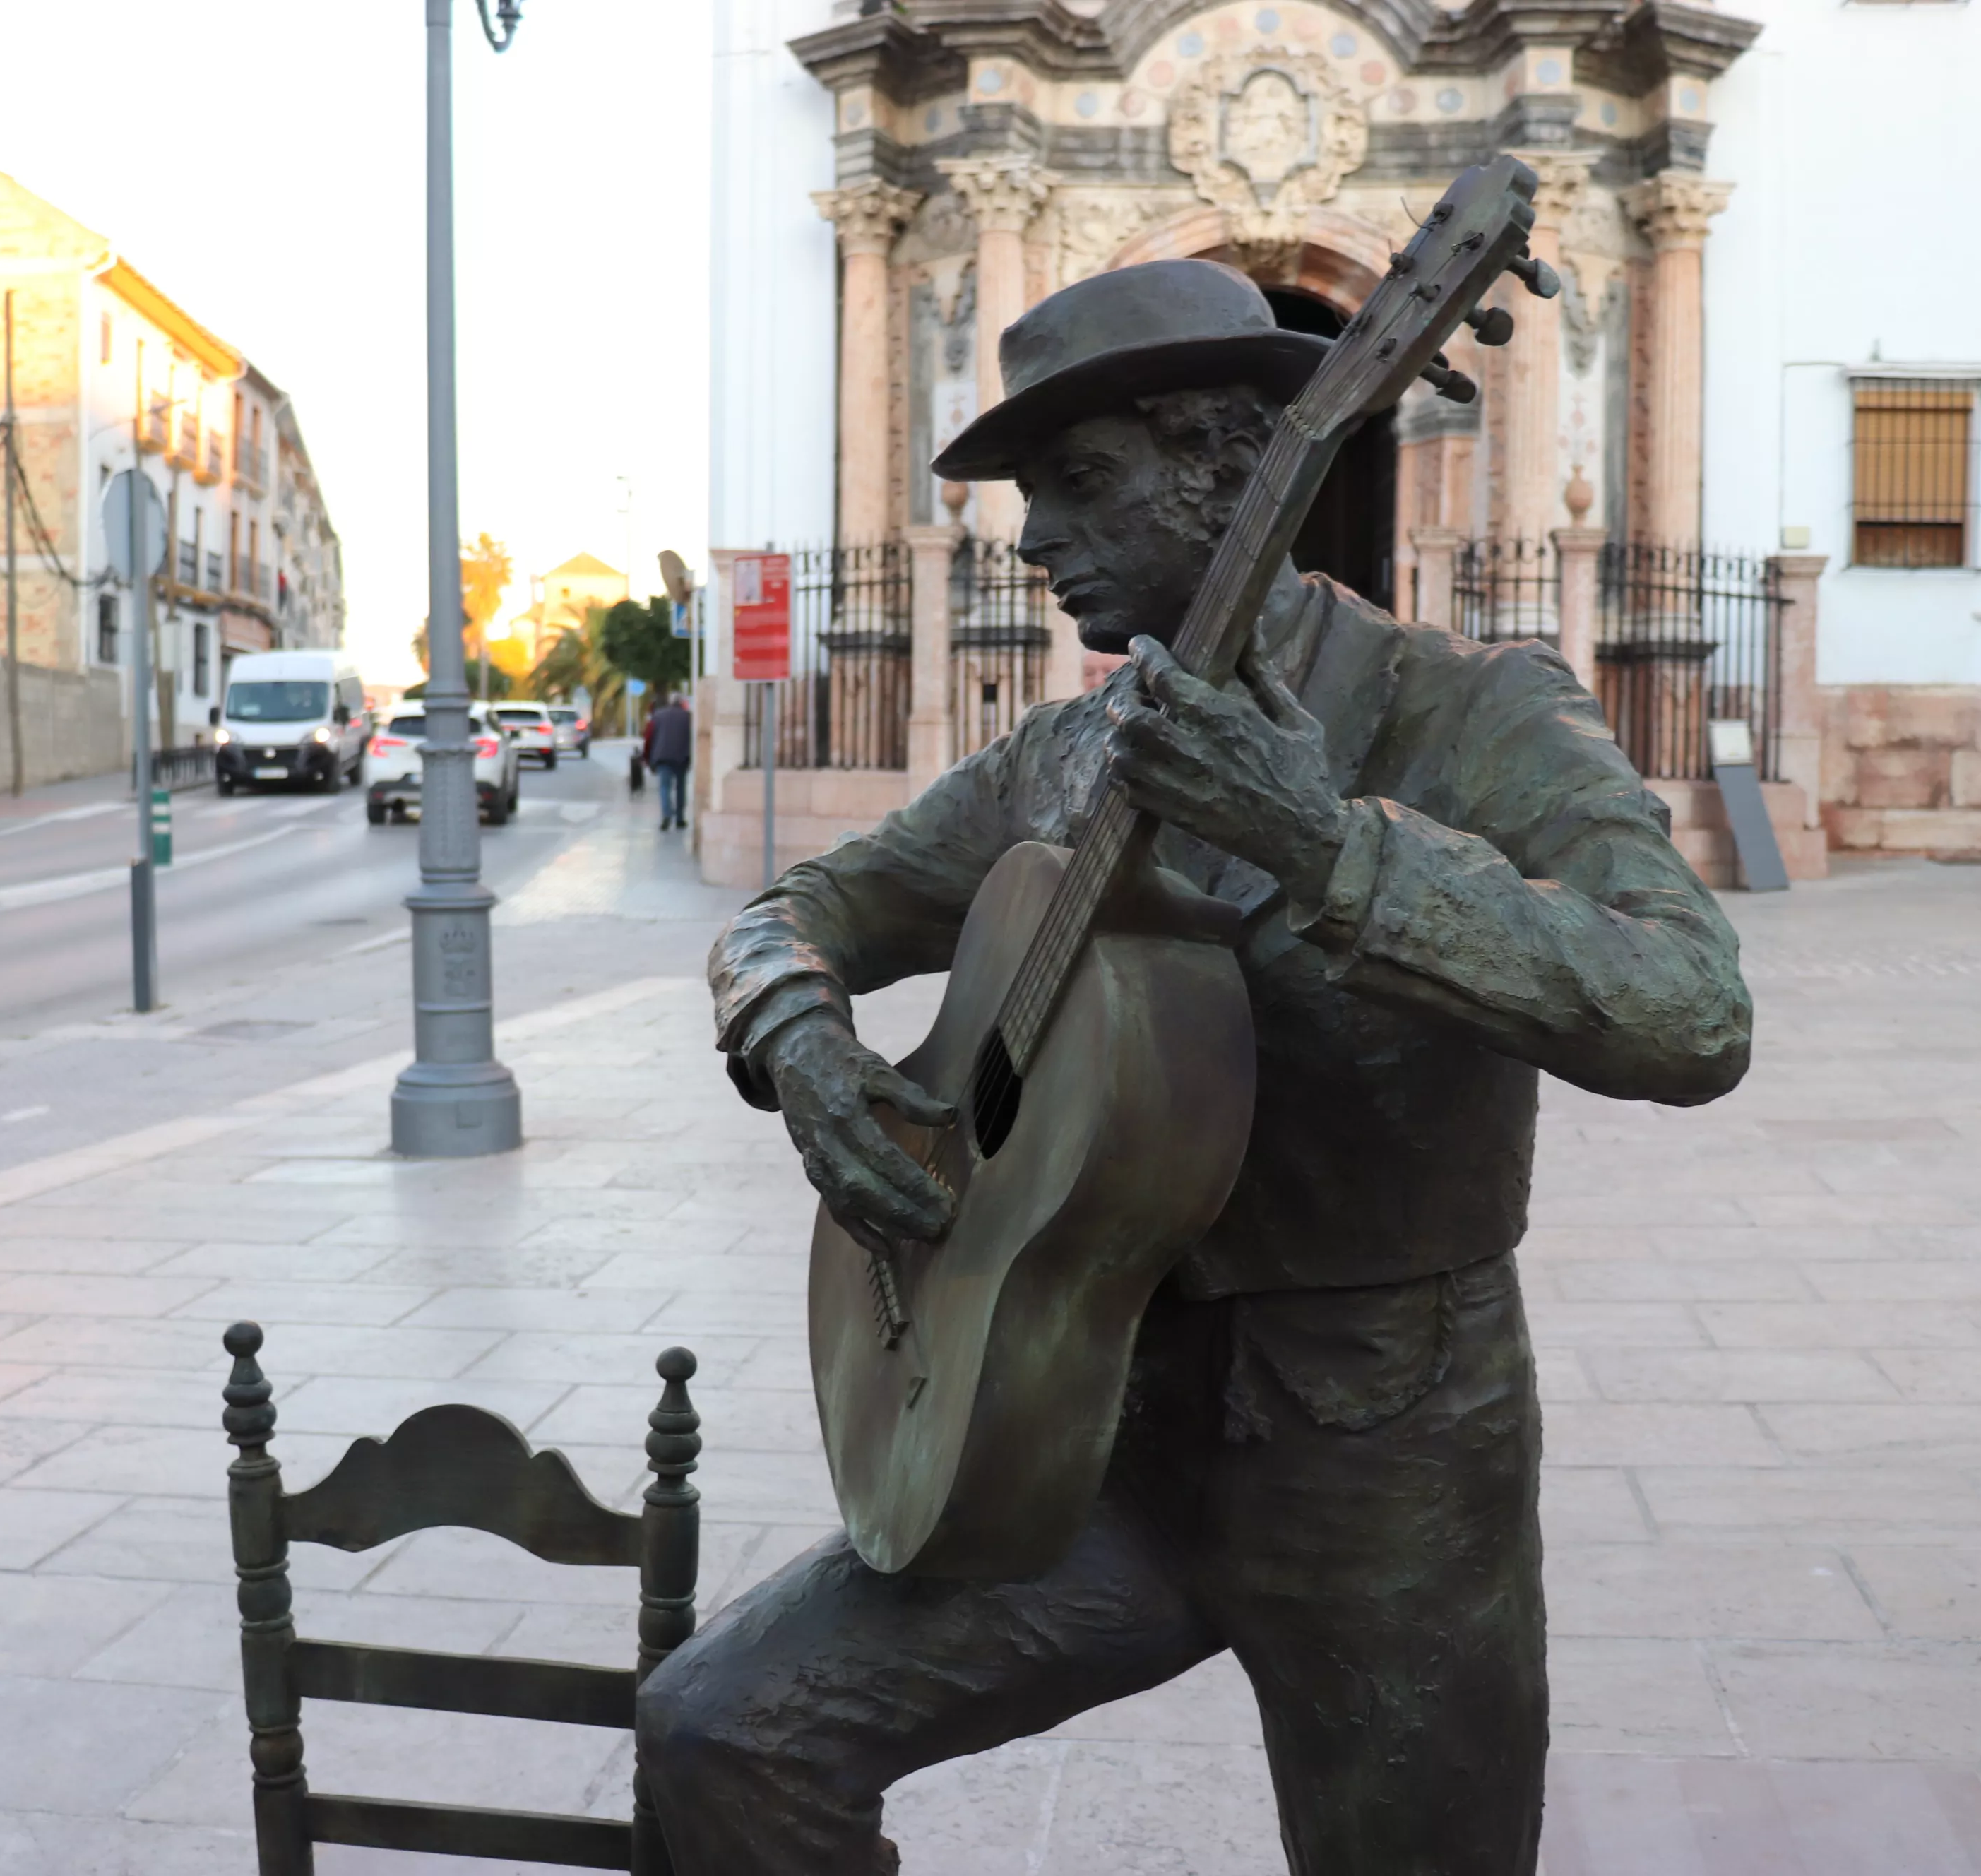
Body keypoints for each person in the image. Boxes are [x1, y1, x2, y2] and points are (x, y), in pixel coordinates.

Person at [638, 260, 1752, 1874]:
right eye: (1032, 495)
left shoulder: (1470, 714)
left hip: (1389, 1471)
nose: (1032, 538)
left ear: (1232, 469)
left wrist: (1325, 845)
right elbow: (797, 911)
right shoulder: (1065, 752)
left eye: (1079, 482)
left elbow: (1689, 1008)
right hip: (1080, 1433)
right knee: (721, 1727)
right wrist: (798, 1037)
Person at [643, 689, 694, 830]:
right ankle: (680, 818)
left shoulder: (659, 715)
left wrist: (647, 758)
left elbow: (649, 737)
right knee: (680, 787)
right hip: (682, 757)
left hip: (662, 757)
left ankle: (666, 814)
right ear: (682, 703)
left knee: (664, 787)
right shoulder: (688, 717)